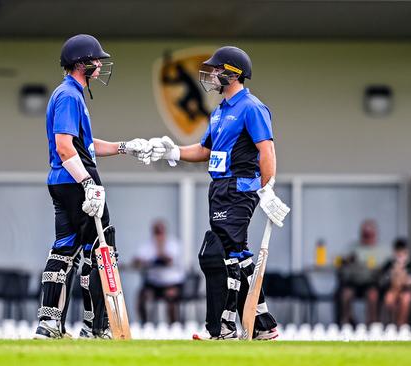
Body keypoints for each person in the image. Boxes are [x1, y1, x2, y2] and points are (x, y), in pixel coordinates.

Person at [147, 46, 290, 340]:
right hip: (219, 187)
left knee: (222, 255)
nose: (211, 74)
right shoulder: (219, 111)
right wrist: (171, 151)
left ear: (231, 73)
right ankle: (260, 326)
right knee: (233, 256)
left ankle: (226, 328)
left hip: (240, 186)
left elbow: (267, 149)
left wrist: (268, 188)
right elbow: (204, 150)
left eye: (216, 69)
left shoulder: (251, 107)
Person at [34, 34, 152, 339]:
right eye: (94, 60)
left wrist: (125, 146)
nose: (99, 64)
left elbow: (83, 145)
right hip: (76, 182)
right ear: (79, 64)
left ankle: (50, 325)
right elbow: (64, 147)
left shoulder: (70, 95)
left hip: (64, 182)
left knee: (65, 249)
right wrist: (88, 183)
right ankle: (95, 327)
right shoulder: (69, 96)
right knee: (101, 249)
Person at [133, 220, 186, 324]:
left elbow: (167, 259)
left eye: (160, 232)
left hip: (172, 282)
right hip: (155, 283)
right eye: (156, 232)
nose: (159, 235)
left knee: (170, 296)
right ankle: (145, 324)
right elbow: (137, 261)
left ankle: (173, 325)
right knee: (142, 296)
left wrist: (159, 248)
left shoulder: (173, 244)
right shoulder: (148, 245)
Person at [338, 219, 390, 325]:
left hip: (372, 282)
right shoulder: (352, 247)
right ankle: (347, 322)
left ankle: (372, 323)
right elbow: (340, 263)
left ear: (375, 234)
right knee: (346, 294)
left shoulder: (384, 250)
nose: (368, 237)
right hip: (354, 281)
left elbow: (388, 269)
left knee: (372, 295)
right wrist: (347, 262)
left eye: (370, 234)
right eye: (365, 234)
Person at [379, 238, 411, 326]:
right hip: (391, 290)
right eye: (398, 253)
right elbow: (382, 281)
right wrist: (392, 275)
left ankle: (402, 324)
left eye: (403, 253)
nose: (400, 255)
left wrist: (407, 280)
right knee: (389, 298)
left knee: (406, 299)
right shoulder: (389, 265)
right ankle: (391, 324)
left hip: (406, 291)